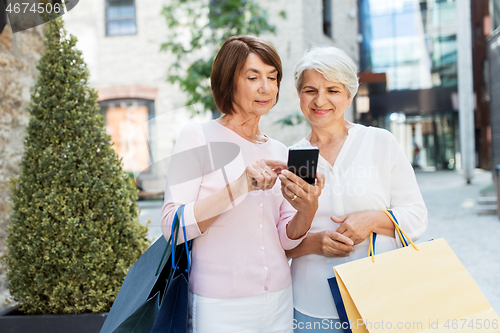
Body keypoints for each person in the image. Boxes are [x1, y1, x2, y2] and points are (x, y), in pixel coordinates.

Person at [161, 36, 324, 333]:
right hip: (220, 305)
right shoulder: (198, 137)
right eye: (253, 77)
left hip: (279, 299)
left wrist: (307, 208)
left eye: (273, 78)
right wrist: (238, 187)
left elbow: (287, 239)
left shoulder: (280, 151)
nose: (266, 87)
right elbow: (173, 226)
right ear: (228, 81)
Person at [281, 46, 428, 332]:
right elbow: (281, 243)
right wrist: (316, 242)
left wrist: (372, 219)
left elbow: (417, 217)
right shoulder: (294, 156)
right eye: (310, 90)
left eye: (333, 90)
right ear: (300, 95)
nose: (320, 100)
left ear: (349, 96)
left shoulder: (379, 142)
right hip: (312, 308)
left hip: (379, 299)